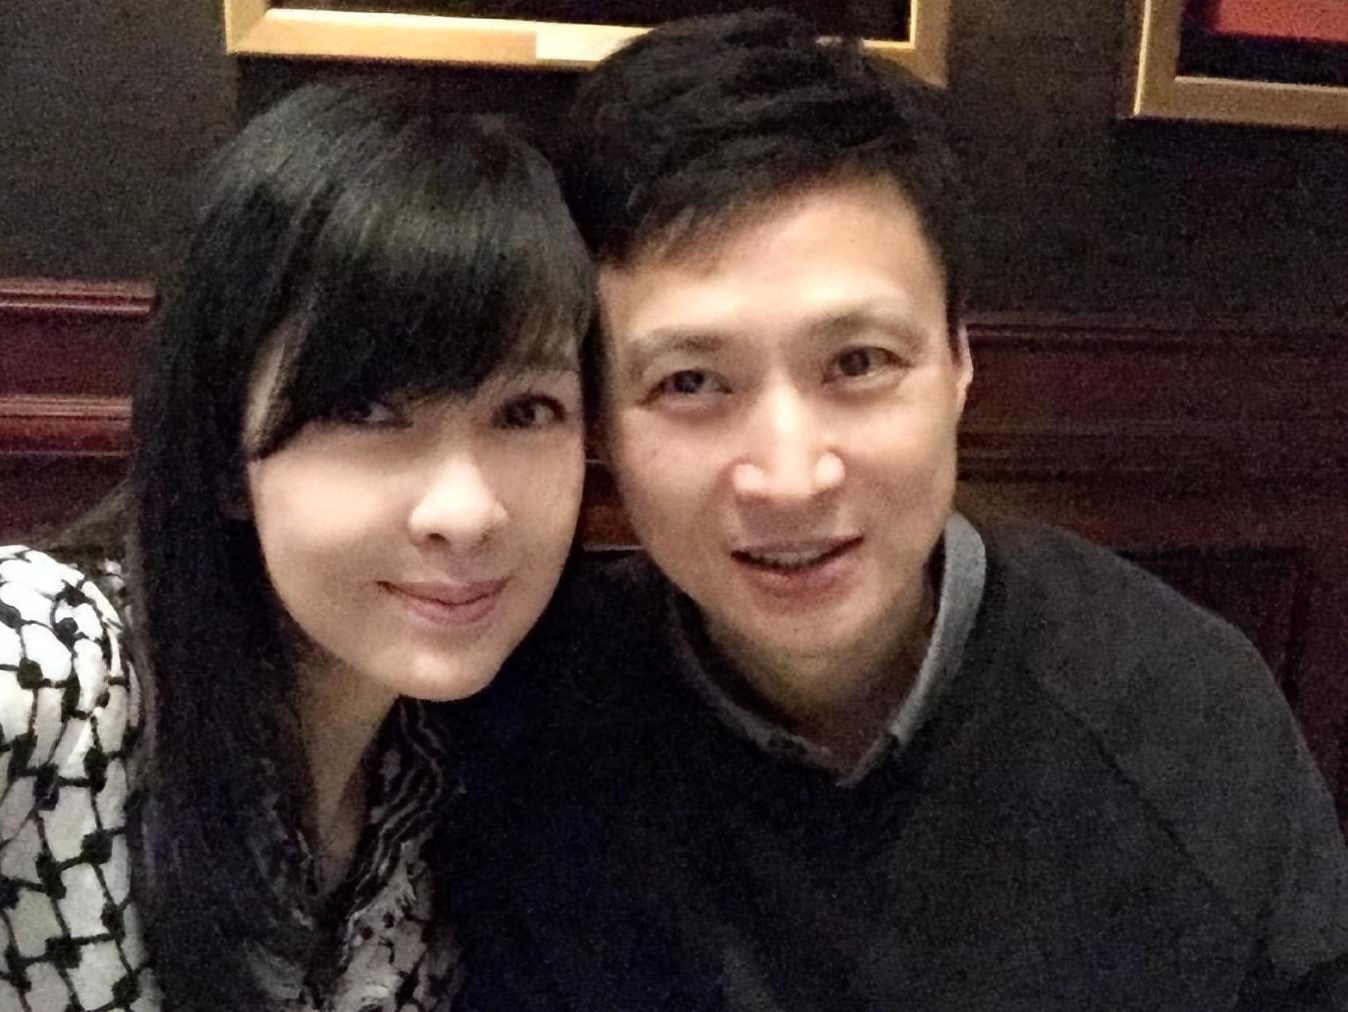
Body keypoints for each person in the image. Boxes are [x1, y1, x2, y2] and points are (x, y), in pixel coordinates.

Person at [449, 11, 1348, 1011]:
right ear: (599, 421)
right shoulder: (524, 723)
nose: (790, 478)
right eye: (691, 382)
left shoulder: (1181, 722)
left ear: (959, 362)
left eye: (858, 362)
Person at [0, 80, 591, 1012]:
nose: (468, 512)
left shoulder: (443, 788)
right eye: (366, 409)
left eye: (526, 411)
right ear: (225, 455)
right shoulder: (48, 666)